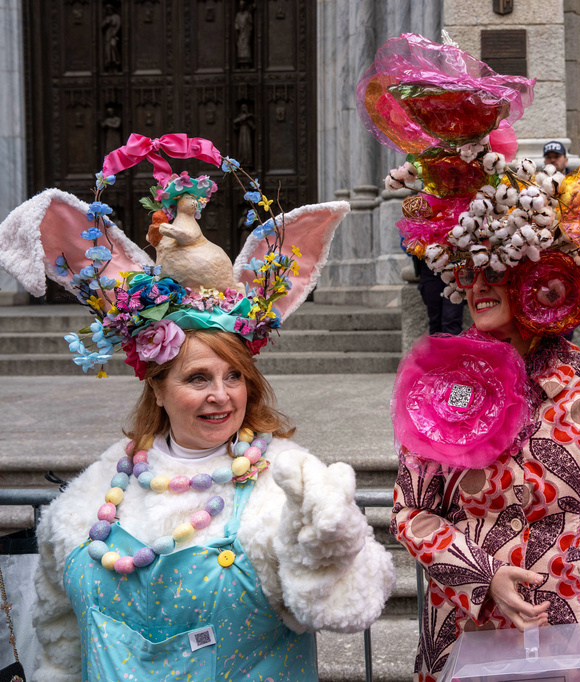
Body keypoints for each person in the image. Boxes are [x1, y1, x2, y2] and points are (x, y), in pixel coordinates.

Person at [0, 134, 396, 681]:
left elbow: (351, 602)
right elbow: (61, 634)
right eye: (198, 378)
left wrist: (329, 534)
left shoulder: (282, 481)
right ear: (157, 388)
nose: (221, 394)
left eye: (235, 376)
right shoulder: (92, 497)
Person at [359, 34, 580, 682]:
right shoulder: (443, 381)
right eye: (468, 267)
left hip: (578, 634)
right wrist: (482, 572)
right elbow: (410, 512)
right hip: (468, 634)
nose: (478, 281)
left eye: (499, 263)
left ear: (542, 272)